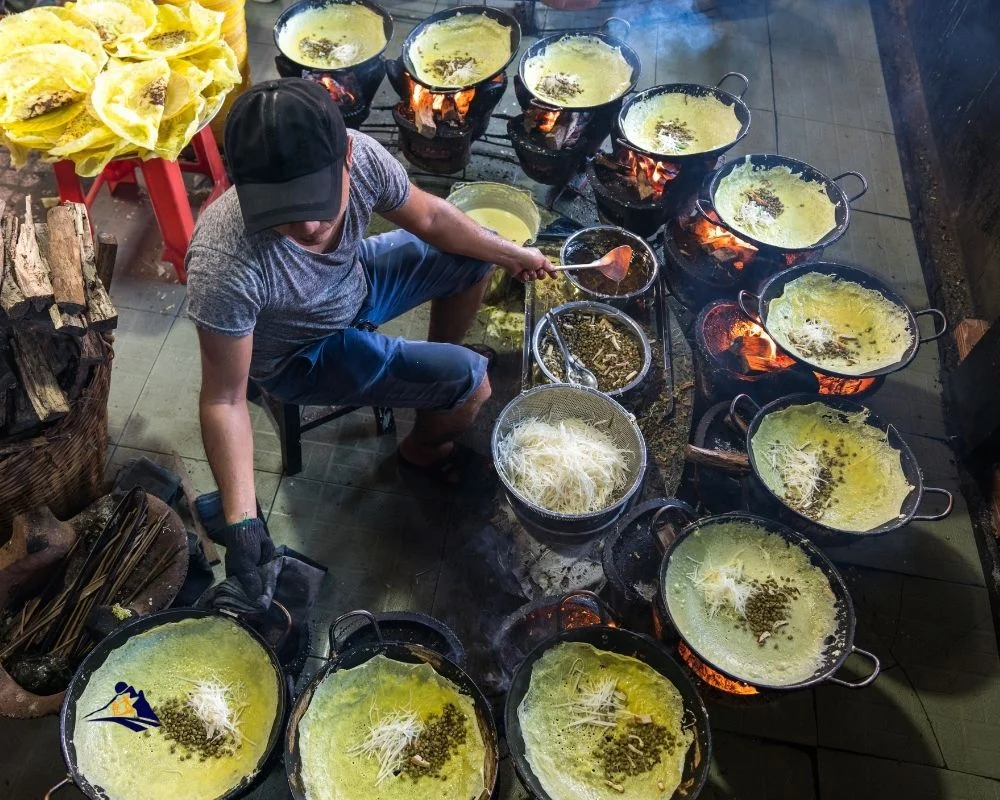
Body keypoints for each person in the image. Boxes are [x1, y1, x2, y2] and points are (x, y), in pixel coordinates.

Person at [185, 79, 554, 599]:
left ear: (347, 158)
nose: (310, 224)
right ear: (243, 189)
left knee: (476, 254)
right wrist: (242, 521)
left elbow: (428, 216)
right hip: (299, 355)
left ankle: (434, 377)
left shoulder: (366, 159)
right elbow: (223, 399)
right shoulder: (224, 260)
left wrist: (509, 253)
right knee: (474, 384)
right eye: (284, 210)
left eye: (318, 199)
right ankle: (424, 449)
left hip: (355, 283)